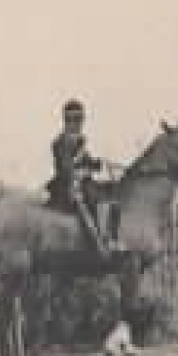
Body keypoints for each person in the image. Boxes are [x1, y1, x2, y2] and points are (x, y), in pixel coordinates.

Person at [47, 99, 115, 256]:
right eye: (72, 120)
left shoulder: (80, 141)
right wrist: (84, 171)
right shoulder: (60, 143)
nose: (77, 124)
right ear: (66, 121)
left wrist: (98, 163)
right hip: (66, 186)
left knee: (110, 191)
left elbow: (87, 161)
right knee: (89, 202)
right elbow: (66, 170)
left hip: (83, 183)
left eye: (79, 120)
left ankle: (110, 236)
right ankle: (98, 243)